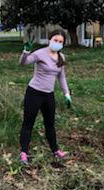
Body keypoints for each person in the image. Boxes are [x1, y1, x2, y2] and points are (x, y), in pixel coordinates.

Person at [18, 29, 71, 164]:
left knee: (50, 124)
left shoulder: (61, 57)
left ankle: (55, 150)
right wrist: (26, 51)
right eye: (55, 40)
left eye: (60, 42)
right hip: (34, 93)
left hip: (49, 95)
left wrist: (67, 94)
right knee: (28, 123)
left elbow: (62, 77)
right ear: (50, 39)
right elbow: (23, 63)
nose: (57, 43)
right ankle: (24, 152)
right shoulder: (40, 53)